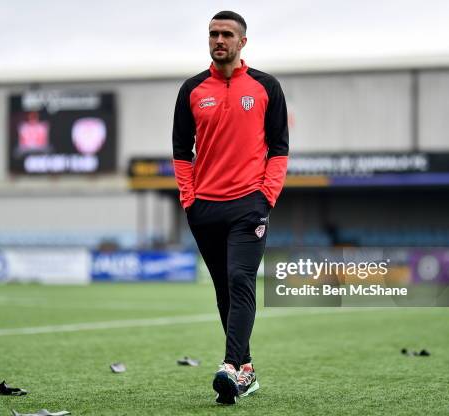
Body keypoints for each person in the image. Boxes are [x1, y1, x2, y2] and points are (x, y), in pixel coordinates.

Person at [172, 10, 289, 405]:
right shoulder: (191, 90)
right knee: (224, 290)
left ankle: (230, 367)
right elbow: (180, 152)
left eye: (226, 34)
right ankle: (248, 368)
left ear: (242, 42)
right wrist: (189, 200)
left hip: (248, 207)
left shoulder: (265, 87)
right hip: (204, 208)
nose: (218, 40)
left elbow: (279, 148)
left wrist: (266, 196)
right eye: (212, 34)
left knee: (241, 280)